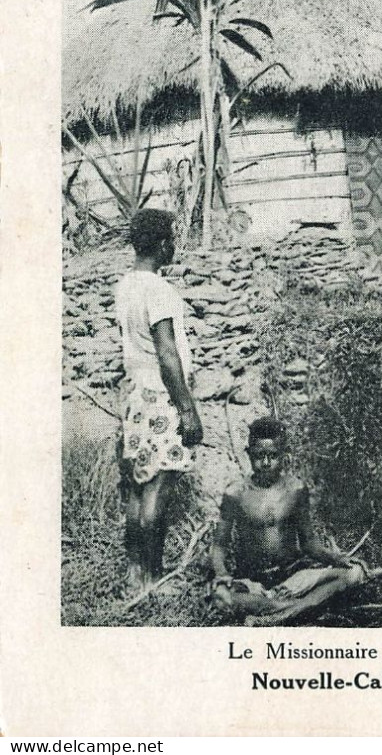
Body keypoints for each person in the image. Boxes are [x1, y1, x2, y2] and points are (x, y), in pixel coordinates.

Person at [115, 208, 203, 594]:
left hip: (135, 392)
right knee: (158, 488)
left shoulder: (126, 285)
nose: (174, 246)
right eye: (172, 239)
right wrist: (186, 409)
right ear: (162, 244)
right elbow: (167, 354)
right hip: (159, 394)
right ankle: (153, 578)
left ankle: (135, 573)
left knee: (138, 487)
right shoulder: (158, 289)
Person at [210, 416, 366, 626]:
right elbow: (219, 545)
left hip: (292, 579)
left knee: (354, 573)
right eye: (259, 456)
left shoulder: (295, 490)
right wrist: (222, 574)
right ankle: (298, 607)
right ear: (248, 454)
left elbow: (309, 543)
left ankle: (277, 615)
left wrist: (336, 559)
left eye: (273, 455)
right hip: (252, 582)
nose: (266, 463)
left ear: (284, 455)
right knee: (222, 598)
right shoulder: (236, 493)